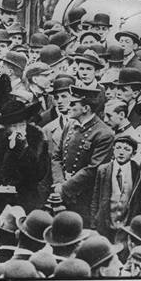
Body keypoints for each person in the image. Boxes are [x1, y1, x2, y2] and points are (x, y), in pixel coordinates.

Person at [52, 86, 114, 224]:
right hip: (63, 191)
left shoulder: (104, 133)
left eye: (73, 104)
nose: (68, 106)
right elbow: (56, 157)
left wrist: (65, 187)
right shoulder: (70, 125)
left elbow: (93, 168)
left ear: (85, 108)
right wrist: (59, 182)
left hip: (84, 197)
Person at [0, 100, 49, 212]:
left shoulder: (36, 138)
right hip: (1, 199)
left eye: (22, 125)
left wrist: (25, 146)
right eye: (14, 126)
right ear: (7, 127)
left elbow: (39, 172)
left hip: (27, 199)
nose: (18, 130)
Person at [91, 134, 139, 242]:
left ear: (133, 153)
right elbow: (96, 197)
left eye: (127, 149)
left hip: (126, 224)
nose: (121, 152)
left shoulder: (137, 170)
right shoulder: (103, 170)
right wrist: (94, 222)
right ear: (113, 150)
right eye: (118, 148)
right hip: (105, 222)